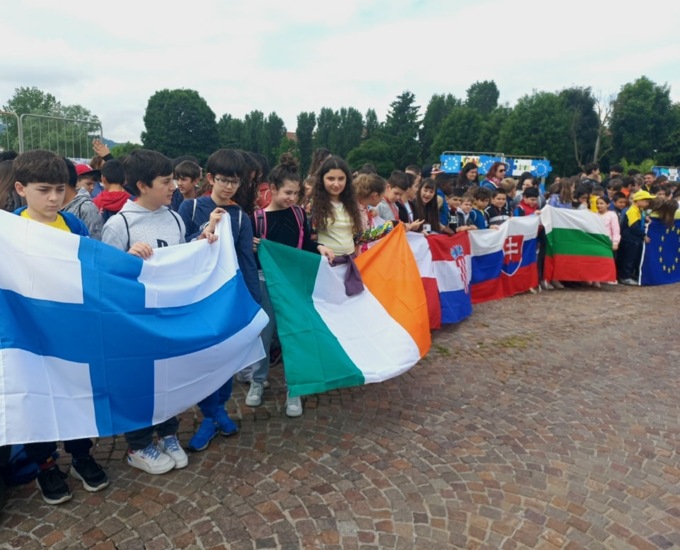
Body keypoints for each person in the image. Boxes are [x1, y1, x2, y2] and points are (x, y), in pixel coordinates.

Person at [102, 149, 212, 474]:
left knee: (168, 376)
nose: (173, 187)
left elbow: (181, 258)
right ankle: (138, 445)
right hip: (134, 324)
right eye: (166, 181)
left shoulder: (174, 217)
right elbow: (105, 280)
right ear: (142, 185)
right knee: (138, 383)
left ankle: (167, 433)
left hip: (166, 317)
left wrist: (202, 240)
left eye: (173, 180)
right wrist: (127, 260)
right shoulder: (119, 224)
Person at [12, 150, 108, 504]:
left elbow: (94, 266)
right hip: (28, 336)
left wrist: (129, 261)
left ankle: (81, 455)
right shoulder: (9, 230)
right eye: (43, 190)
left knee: (75, 393)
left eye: (59, 189)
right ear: (21, 188)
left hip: (70, 331)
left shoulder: (73, 225)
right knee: (35, 399)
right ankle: (46, 465)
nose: (53, 198)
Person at [177, 149, 259, 451]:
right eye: (224, 180)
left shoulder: (240, 217)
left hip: (227, 299)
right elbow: (179, 249)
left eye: (235, 182)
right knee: (203, 359)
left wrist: (253, 302)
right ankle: (211, 414)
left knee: (226, 357)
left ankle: (216, 412)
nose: (229, 187)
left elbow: (246, 260)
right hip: (197, 298)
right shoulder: (190, 207)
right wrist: (206, 229)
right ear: (211, 178)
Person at [249, 154, 334, 416]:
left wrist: (319, 246)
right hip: (266, 282)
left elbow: (305, 242)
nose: (293, 198)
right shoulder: (258, 219)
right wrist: (252, 248)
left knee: (294, 334)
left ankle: (294, 387)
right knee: (264, 334)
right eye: (288, 192)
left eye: (296, 193)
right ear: (273, 189)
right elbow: (250, 256)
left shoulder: (298, 214)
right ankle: (257, 380)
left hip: (293, 283)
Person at [310, 155, 363, 258]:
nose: (336, 184)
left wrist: (389, 227)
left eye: (341, 179)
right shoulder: (313, 205)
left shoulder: (352, 204)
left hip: (350, 261)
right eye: (331, 179)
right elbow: (307, 239)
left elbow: (359, 237)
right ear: (322, 180)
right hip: (325, 262)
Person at [618, 190, 654, 285]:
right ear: (638, 201)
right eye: (646, 201)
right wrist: (643, 235)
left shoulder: (639, 210)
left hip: (634, 239)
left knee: (634, 258)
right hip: (629, 239)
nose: (647, 203)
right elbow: (633, 226)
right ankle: (624, 277)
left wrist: (645, 220)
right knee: (628, 258)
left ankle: (630, 274)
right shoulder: (632, 211)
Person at [62, 160, 103, 240]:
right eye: (88, 184)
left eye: (94, 184)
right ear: (76, 181)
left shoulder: (86, 207)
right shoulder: (57, 203)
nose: (92, 188)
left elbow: (95, 240)